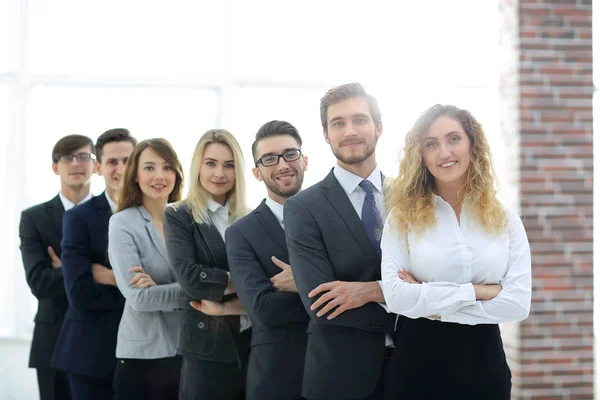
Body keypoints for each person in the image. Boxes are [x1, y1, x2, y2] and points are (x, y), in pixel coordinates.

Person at [380, 104, 532, 399]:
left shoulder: (504, 218)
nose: (444, 152)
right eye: (431, 144)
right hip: (417, 368)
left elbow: (517, 304)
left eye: (453, 139)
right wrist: (477, 291)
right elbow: (397, 297)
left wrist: (431, 307)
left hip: (484, 367)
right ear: (421, 155)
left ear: (472, 145)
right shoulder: (401, 218)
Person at [284, 83, 396, 400]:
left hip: (414, 370)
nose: (349, 131)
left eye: (359, 120)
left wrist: (372, 291)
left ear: (379, 127)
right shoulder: (304, 208)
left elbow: (439, 282)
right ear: (325, 134)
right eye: (338, 123)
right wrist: (412, 305)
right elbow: (322, 304)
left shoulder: (412, 197)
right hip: (340, 379)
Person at [222, 120, 309, 400]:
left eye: (290, 154)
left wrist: (304, 280)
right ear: (257, 173)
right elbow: (262, 309)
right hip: (278, 375)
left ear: (305, 160)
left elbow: (360, 282)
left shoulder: (333, 217)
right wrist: (333, 289)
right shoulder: (240, 233)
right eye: (270, 159)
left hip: (340, 370)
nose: (283, 165)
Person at [163, 129, 251, 400]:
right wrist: (245, 282)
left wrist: (225, 282)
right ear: (197, 167)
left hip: (252, 343)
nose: (219, 174)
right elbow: (190, 279)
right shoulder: (178, 214)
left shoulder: (250, 217)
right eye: (211, 163)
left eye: (229, 165)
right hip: (206, 347)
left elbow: (270, 282)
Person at [51, 128, 137, 400]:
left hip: (146, 354)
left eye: (127, 160)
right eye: (112, 162)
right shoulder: (78, 218)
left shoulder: (161, 213)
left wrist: (111, 277)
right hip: (91, 353)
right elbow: (79, 293)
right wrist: (138, 289)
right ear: (98, 167)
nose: (120, 169)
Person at [108, 139, 185, 399]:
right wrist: (195, 290)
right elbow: (139, 299)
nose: (160, 176)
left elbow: (213, 280)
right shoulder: (122, 223)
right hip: (142, 359)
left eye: (167, 167)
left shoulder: (189, 219)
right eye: (149, 168)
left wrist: (162, 289)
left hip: (188, 352)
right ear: (136, 175)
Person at [19, 134, 95, 400]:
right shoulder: (34, 218)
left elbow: (119, 279)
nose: (76, 164)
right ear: (55, 167)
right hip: (53, 338)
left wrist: (65, 268)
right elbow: (39, 283)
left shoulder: (114, 215)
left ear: (95, 165)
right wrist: (88, 269)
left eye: (83, 156)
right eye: (67, 158)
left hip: (102, 338)